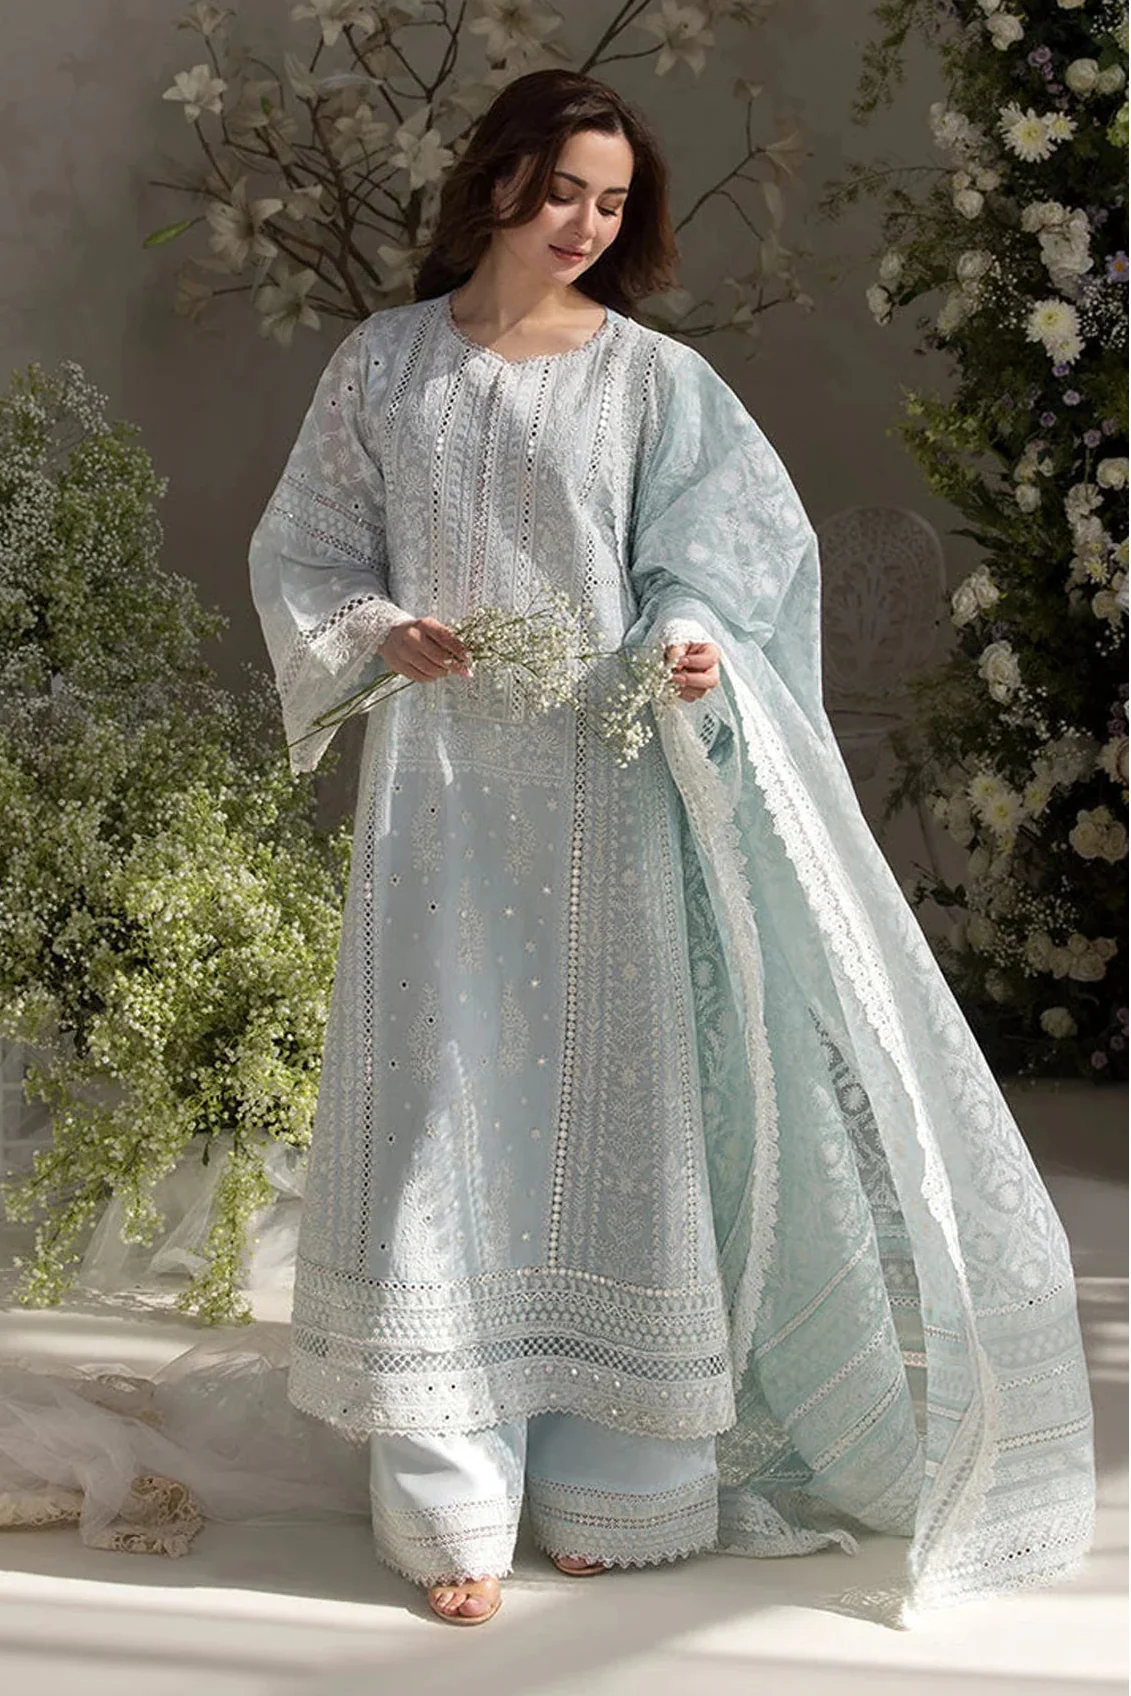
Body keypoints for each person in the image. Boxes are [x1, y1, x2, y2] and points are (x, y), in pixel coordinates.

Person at [249, 69, 1094, 1627]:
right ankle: (448, 1502)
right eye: (562, 189)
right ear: (497, 180)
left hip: (605, 794)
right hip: (442, 803)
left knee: (614, 1116)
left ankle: (619, 1486)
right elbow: (307, 549)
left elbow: (725, 554)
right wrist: (382, 631)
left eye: (612, 200)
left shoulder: (652, 382)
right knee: (444, 1110)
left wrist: (692, 639)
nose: (584, 222)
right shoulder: (382, 365)